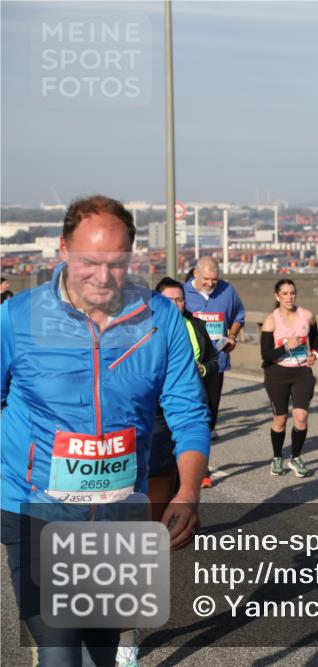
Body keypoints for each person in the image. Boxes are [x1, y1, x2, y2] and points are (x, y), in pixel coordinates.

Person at [0, 195, 210, 665]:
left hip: (120, 513)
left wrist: (188, 492)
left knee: (102, 649)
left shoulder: (161, 321)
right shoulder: (17, 319)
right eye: (88, 262)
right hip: (35, 508)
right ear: (62, 249)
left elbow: (189, 415)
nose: (101, 276)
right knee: (59, 649)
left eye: (115, 264)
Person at [148, 277, 219, 518]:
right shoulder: (144, 328)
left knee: (181, 456)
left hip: (190, 398)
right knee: (160, 463)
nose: (176, 304)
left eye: (180, 299)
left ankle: (183, 506)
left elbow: (214, 359)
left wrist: (203, 369)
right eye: (170, 300)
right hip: (155, 407)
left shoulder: (196, 325)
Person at [183, 256, 245, 487]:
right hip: (186, 366)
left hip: (216, 363)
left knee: (209, 417)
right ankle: (188, 466)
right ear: (196, 274)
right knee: (189, 415)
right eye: (207, 279)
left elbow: (239, 316)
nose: (211, 283)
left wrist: (233, 335)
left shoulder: (228, 291)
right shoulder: (182, 294)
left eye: (215, 279)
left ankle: (201, 465)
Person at [260, 279, 318, 477]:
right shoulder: (271, 320)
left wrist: (314, 354)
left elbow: (316, 336)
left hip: (301, 372)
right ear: (277, 296)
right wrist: (286, 346)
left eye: (292, 292)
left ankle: (295, 457)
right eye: (284, 293)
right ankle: (277, 457)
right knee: (280, 419)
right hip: (277, 374)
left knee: (301, 416)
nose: (289, 297)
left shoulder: (307, 315)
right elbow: (266, 354)